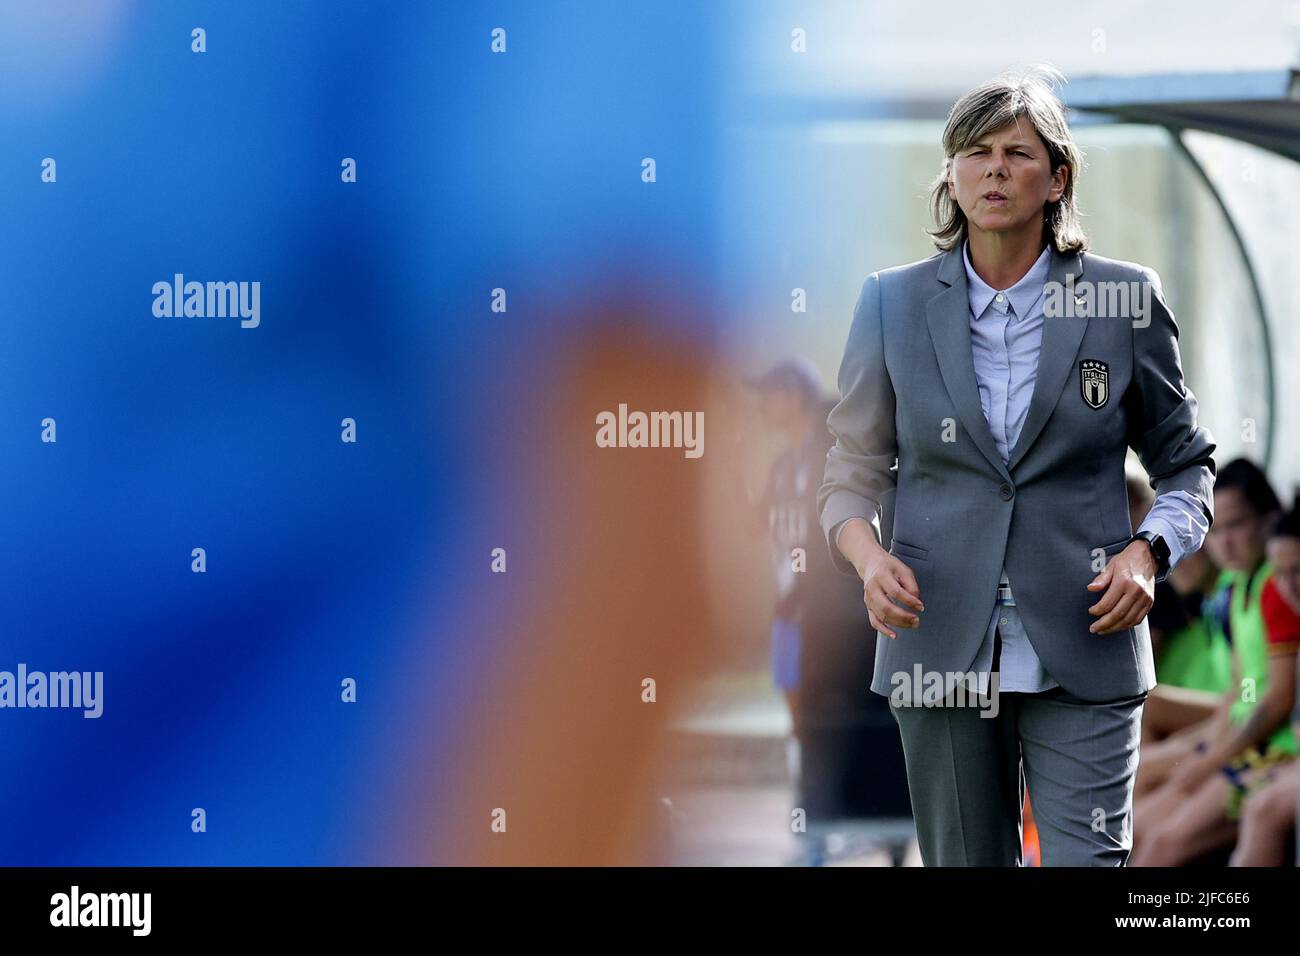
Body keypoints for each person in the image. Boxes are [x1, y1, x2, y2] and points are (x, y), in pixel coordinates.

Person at [818, 66, 1216, 866]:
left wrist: (1149, 553)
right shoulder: (889, 305)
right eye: (974, 152)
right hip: (937, 643)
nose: (993, 168)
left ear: (1058, 176)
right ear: (952, 175)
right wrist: (867, 559)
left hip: (1089, 641)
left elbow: (1188, 467)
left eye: (1016, 152)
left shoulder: (1124, 300)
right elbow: (850, 473)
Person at [1131, 466, 1298, 865]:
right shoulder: (1242, 587)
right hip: (1242, 742)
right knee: (1140, 829)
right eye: (1216, 530)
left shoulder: (1275, 587)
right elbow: (1238, 693)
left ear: (1269, 520)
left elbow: (1277, 700)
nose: (1224, 542)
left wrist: (1210, 759)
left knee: (1161, 844)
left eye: (1236, 526)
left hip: (1270, 751)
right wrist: (1202, 754)